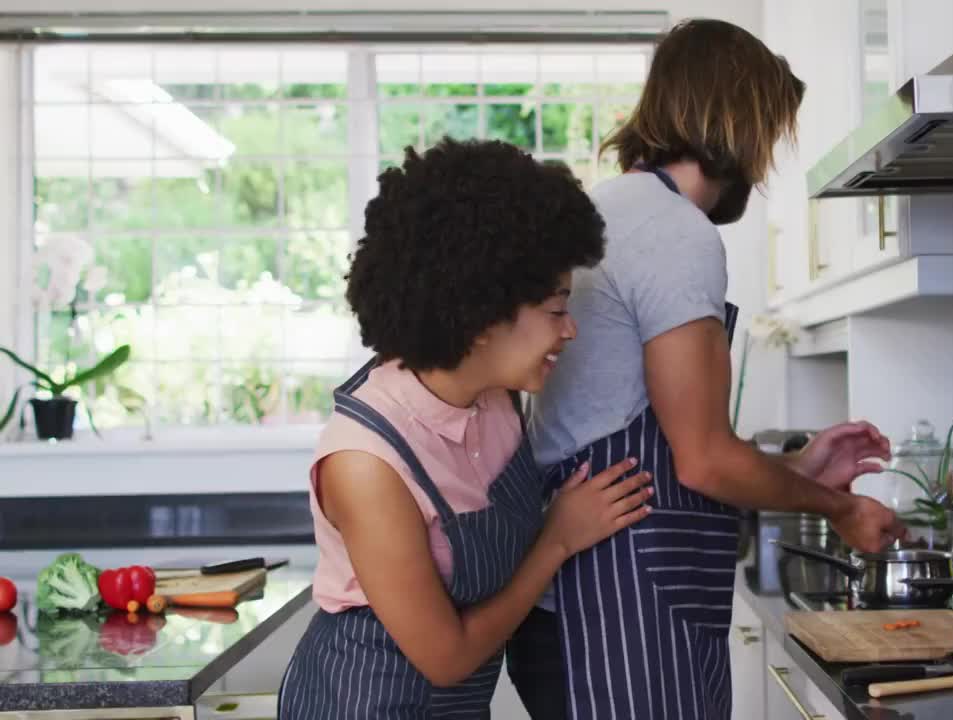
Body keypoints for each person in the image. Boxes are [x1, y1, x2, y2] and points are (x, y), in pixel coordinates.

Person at [516, 18, 906, 720]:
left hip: (602, 599)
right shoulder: (673, 232)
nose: (763, 166)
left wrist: (800, 470)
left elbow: (666, 442)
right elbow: (699, 461)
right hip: (616, 605)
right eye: (769, 137)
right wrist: (843, 508)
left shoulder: (612, 211)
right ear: (739, 125)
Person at [277, 139, 655, 719]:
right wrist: (556, 540)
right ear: (482, 318)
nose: (570, 330)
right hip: (363, 704)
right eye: (556, 310)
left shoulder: (497, 397)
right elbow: (447, 658)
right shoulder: (366, 465)